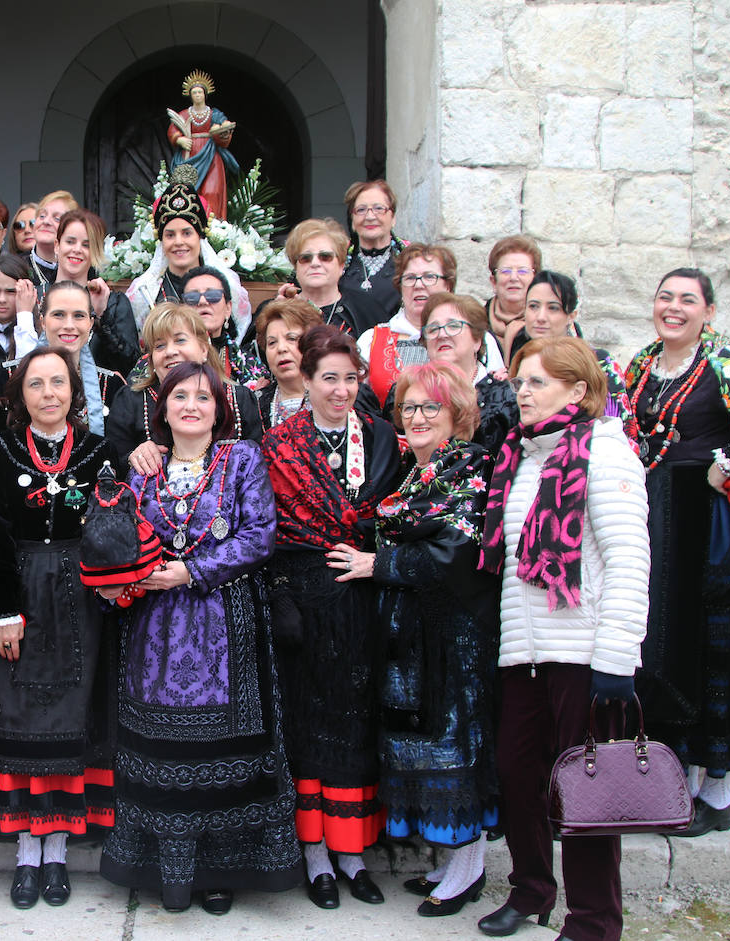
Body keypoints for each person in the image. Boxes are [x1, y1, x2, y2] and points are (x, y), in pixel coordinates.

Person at [100, 362, 301, 914]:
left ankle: (221, 872)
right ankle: (169, 870)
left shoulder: (242, 459)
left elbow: (260, 535)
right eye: (179, 396)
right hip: (154, 627)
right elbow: (122, 535)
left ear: (220, 408)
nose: (191, 405)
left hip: (224, 620)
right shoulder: (143, 468)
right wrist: (137, 572)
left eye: (203, 397)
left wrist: (191, 571)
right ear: (161, 408)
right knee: (163, 745)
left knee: (222, 746)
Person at [477, 336, 648, 941]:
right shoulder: (520, 456)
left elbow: (629, 559)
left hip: (584, 654)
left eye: (538, 382)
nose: (522, 392)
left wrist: (617, 659)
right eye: (520, 381)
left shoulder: (605, 453)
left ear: (578, 391)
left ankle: (595, 920)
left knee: (587, 793)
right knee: (519, 775)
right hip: (524, 652)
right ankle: (531, 892)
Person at [624, 269, 730, 836]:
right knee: (664, 649)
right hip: (655, 519)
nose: (673, 308)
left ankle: (715, 791)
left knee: (711, 647)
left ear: (709, 311)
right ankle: (674, 785)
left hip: (708, 525)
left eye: (687, 300)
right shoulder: (642, 363)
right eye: (664, 296)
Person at [333, 363, 499, 917]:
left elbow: (456, 554)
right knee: (421, 746)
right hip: (409, 631)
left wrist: (378, 562)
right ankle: (450, 862)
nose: (419, 417)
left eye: (432, 406)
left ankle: (467, 868)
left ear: (457, 413)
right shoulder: (414, 471)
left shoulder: (471, 466)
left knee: (454, 743)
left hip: (452, 635)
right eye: (409, 407)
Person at [260, 325, 401, 911]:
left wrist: (376, 560)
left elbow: (397, 512)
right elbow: (270, 535)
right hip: (305, 600)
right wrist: (286, 600)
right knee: (307, 727)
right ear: (307, 380)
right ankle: (315, 855)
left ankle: (352, 852)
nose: (340, 390)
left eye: (350, 379)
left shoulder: (381, 437)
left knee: (355, 723)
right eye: (329, 379)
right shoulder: (279, 444)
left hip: (363, 595)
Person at [0, 348, 116, 909]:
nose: (50, 393)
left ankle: (56, 850)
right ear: (20, 395)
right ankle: (25, 854)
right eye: (37, 383)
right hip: (23, 589)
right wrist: (3, 611)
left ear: (73, 392)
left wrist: (111, 583)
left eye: (59, 382)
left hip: (82, 598)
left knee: (71, 717)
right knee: (20, 714)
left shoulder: (101, 452)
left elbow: (110, 522)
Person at [106, 303, 263, 473]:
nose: (170, 351)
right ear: (151, 360)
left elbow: (258, 465)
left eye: (180, 340)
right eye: (159, 346)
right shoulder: (131, 400)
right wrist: (134, 457)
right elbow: (112, 464)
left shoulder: (239, 398)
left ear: (204, 349)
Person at [359, 243, 505, 404]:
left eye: (429, 277)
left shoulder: (476, 337)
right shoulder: (371, 340)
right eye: (410, 278)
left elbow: (495, 394)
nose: (418, 285)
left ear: (448, 285)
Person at [0, 281, 125, 436]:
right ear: (43, 322)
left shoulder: (110, 385)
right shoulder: (5, 377)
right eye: (59, 314)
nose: (69, 325)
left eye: (78, 315)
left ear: (90, 323)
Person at [505, 271, 631, 422]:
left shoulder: (599, 362)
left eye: (553, 308)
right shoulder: (520, 358)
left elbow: (618, 423)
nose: (540, 317)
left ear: (571, 316)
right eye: (533, 306)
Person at [125, 181, 249, 331]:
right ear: (162, 241)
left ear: (200, 237)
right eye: (170, 235)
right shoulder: (144, 291)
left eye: (187, 233)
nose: (179, 242)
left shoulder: (225, 286)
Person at [419, 293, 519, 458]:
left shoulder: (504, 397)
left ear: (477, 340)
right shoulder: (412, 393)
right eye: (433, 329)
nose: (442, 334)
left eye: (453, 326)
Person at [48, 209, 139, 378]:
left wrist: (101, 318)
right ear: (57, 245)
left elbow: (130, 367)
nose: (77, 250)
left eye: (86, 245)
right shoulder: (35, 297)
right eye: (70, 241)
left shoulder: (113, 302)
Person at [273, 217, 385, 337]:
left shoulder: (366, 309)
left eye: (325, 256)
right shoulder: (274, 308)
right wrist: (279, 313)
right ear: (296, 267)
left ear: (341, 265)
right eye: (305, 258)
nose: (315, 263)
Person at [167, 70, 238, 221]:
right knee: (190, 191)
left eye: (200, 92)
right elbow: (173, 129)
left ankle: (212, 225)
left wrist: (222, 132)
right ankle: (189, 223)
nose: (197, 95)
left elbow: (224, 129)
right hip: (190, 154)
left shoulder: (214, 114)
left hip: (210, 155)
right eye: (194, 92)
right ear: (190, 95)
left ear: (205, 94)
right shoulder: (185, 114)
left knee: (212, 190)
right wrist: (179, 139)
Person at [181, 265, 266, 387]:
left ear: (228, 308)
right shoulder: (165, 358)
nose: (203, 302)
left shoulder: (249, 366)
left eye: (213, 295)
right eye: (192, 297)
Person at [338, 180, 407, 320]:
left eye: (379, 208)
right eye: (361, 210)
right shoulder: (337, 259)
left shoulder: (409, 258)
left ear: (393, 217)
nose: (370, 217)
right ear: (352, 219)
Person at [255, 297, 321, 427]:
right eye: (272, 343)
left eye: (291, 338)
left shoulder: (334, 396)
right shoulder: (255, 405)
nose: (281, 348)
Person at [484, 236, 540, 361]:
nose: (514, 278)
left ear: (535, 279)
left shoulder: (546, 325)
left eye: (522, 271)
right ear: (494, 281)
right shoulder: (476, 324)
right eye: (506, 271)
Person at [24, 190, 78, 294]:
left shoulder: (82, 268)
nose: (46, 222)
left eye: (57, 218)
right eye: (42, 216)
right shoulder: (17, 267)